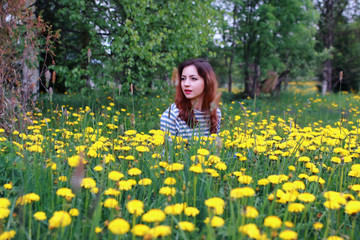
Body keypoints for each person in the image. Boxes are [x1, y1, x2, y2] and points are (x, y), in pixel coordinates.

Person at [160, 58, 221, 140]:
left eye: (193, 78)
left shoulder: (215, 113)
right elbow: (167, 152)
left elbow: (214, 149)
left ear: (207, 81)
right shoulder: (171, 116)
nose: (186, 84)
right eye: (183, 78)